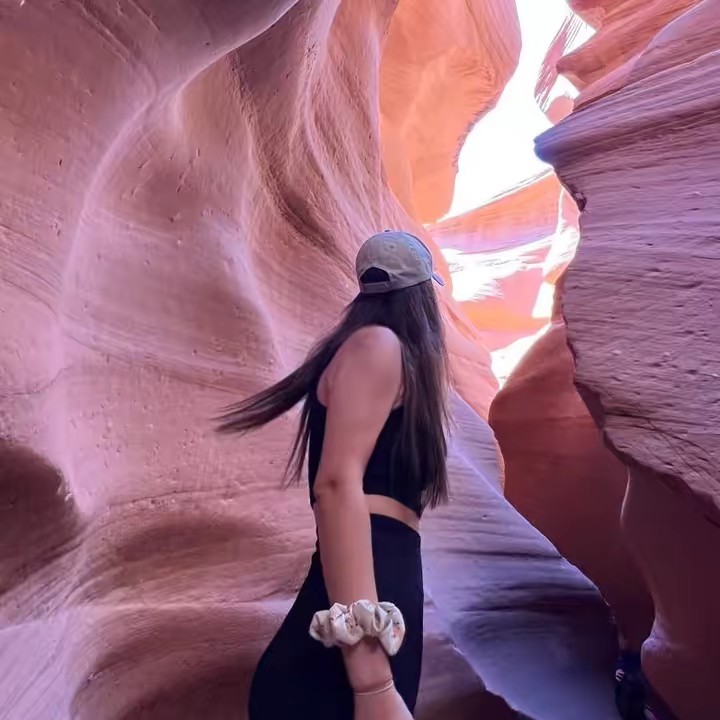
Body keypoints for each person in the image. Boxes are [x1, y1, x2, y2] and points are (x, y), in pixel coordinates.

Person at [217, 230, 450, 719]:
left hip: (375, 598)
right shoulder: (377, 345)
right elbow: (336, 485)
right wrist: (372, 681)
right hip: (351, 646)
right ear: (422, 298)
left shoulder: (375, 348)